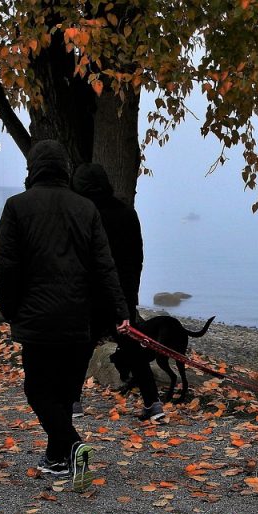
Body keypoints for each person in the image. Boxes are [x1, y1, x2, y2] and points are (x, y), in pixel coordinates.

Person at [0, 140, 130, 491]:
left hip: (37, 318)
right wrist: (120, 311)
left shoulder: (16, 207)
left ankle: (72, 447)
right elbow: (104, 266)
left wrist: (10, 309)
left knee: (38, 389)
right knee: (65, 392)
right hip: (78, 318)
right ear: (65, 169)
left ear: (33, 168)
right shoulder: (85, 208)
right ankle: (56, 459)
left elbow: (7, 267)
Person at [70, 163, 162, 422]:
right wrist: (130, 296)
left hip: (90, 294)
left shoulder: (82, 213)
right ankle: (153, 402)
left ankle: (73, 402)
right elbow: (136, 258)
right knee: (131, 347)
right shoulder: (126, 213)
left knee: (82, 347)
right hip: (121, 294)